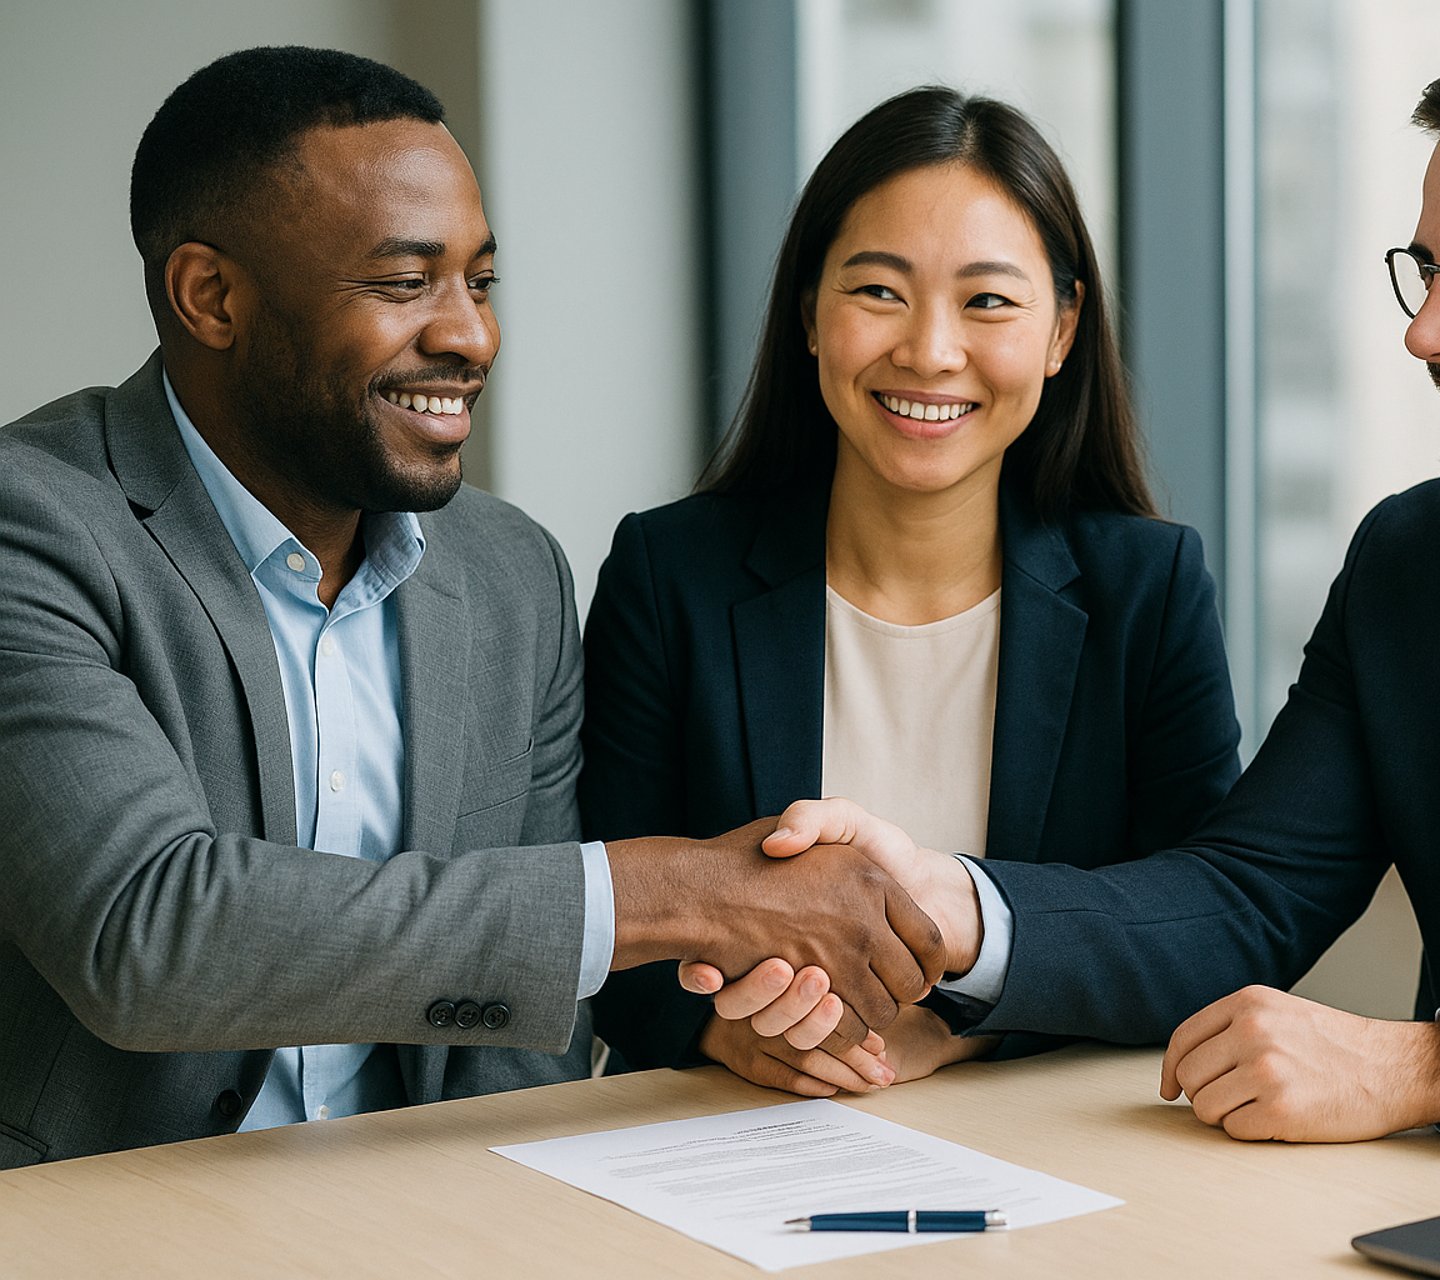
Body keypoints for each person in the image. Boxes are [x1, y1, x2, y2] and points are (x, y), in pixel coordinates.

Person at [703, 28, 1440, 1153]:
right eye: (1429, 271)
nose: (1430, 332)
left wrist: (1436, 1068)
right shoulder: (1416, 561)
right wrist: (946, 903)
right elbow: (1248, 891)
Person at [0, 46, 942, 1168]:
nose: (471, 336)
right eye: (406, 285)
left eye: (480, 282)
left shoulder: (511, 573)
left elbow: (518, 1032)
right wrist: (684, 889)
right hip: (96, 1216)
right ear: (212, 296)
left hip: (424, 1202)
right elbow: (151, 932)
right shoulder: (34, 525)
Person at [581, 87, 1242, 1098]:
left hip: (1052, 1154)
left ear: (1062, 330)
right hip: (733, 1141)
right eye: (879, 291)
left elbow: (1201, 929)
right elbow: (597, 922)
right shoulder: (671, 574)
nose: (930, 350)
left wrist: (966, 1032)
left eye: (988, 300)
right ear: (809, 311)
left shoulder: (1147, 590)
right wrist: (721, 1032)